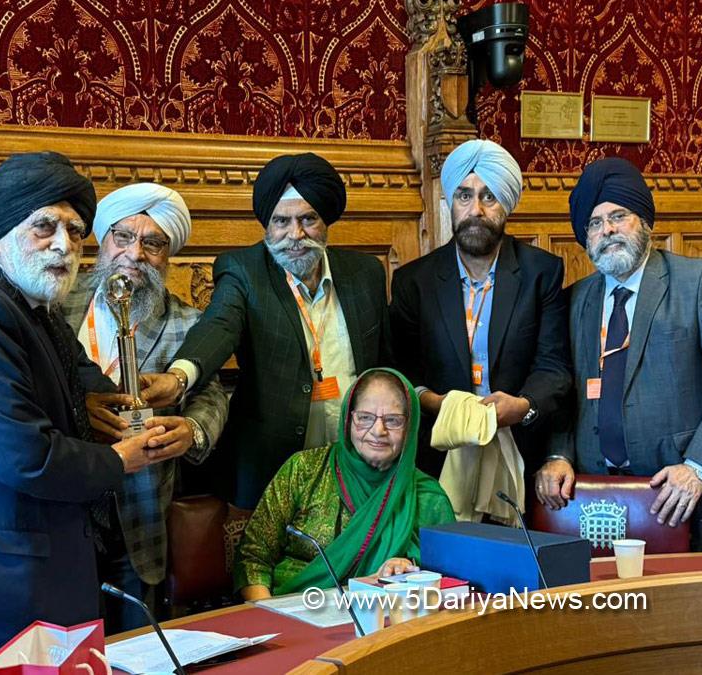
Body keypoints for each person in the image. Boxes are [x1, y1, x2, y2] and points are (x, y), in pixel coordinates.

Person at [0, 152, 164, 670]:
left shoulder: (28, 305)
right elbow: (25, 454)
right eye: (44, 228)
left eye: (74, 231)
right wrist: (122, 459)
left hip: (29, 583)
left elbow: (77, 376)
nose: (64, 246)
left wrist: (126, 405)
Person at [149, 152, 392, 509]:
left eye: (308, 219)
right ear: (267, 224)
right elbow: (219, 324)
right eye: (281, 221)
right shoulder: (244, 271)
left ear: (326, 221)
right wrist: (180, 377)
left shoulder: (366, 273)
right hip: (274, 464)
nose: (294, 235)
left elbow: (387, 365)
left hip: (358, 460)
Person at [63, 182, 229, 632]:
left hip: (140, 517)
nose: (134, 254)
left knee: (134, 645)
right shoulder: (56, 304)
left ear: (167, 255)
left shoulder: (186, 322)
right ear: (102, 241)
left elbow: (210, 398)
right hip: (63, 515)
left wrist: (191, 431)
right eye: (123, 237)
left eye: (152, 243)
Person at [538, 157, 702, 550]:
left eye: (618, 215)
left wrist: (697, 467)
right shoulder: (575, 300)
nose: (607, 230)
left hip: (684, 499)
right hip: (594, 501)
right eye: (594, 223)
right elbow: (561, 393)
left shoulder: (696, 282)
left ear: (644, 221)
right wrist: (558, 455)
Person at [389, 139, 570, 518]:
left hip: (522, 450)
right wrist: (438, 404)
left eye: (489, 197)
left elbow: (553, 367)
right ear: (450, 204)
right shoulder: (413, 281)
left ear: (506, 204)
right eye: (464, 196)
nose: (476, 210)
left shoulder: (541, 273)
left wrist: (522, 407)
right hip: (439, 454)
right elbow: (401, 371)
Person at [234, 369, 454, 599]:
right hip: (292, 613)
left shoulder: (429, 499)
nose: (378, 431)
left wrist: (410, 571)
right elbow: (253, 556)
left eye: (393, 420)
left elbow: (448, 581)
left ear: (411, 426)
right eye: (365, 417)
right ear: (348, 419)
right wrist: (271, 618)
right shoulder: (304, 470)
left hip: (387, 622)